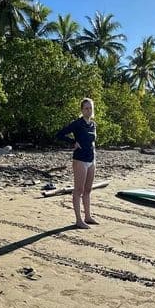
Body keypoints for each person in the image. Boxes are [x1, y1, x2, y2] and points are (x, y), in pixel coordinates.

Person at [56, 98, 98, 229]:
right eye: (86, 108)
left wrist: (94, 153)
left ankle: (88, 216)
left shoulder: (92, 124)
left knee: (88, 190)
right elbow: (60, 134)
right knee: (78, 190)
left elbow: (92, 141)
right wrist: (73, 143)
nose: (88, 110)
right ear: (82, 110)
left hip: (91, 159)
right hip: (80, 160)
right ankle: (78, 220)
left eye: (90, 108)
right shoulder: (77, 123)